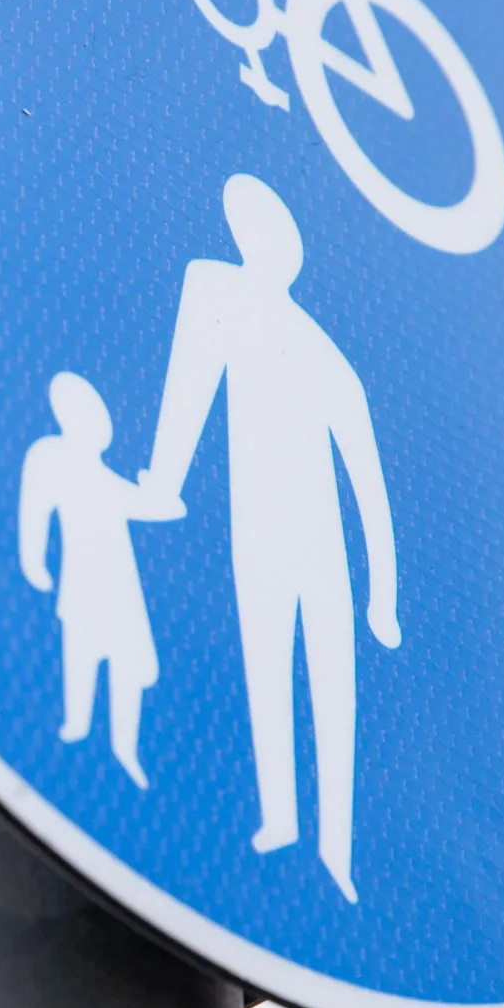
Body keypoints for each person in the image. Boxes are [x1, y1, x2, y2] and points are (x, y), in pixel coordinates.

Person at [141, 174, 399, 901]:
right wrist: (164, 481)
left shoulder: (326, 355)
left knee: (332, 687)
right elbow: (187, 388)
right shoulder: (213, 288)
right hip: (257, 529)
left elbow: (367, 482)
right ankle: (281, 822)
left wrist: (384, 595)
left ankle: (339, 849)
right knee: (267, 671)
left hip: (323, 546)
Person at [19, 371, 183, 788]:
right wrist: (33, 561)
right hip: (82, 580)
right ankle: (76, 726)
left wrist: (164, 497)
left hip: (121, 585)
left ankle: (125, 748)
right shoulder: (50, 457)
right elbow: (34, 509)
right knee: (82, 649)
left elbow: (146, 505)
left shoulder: (104, 478)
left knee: (127, 663)